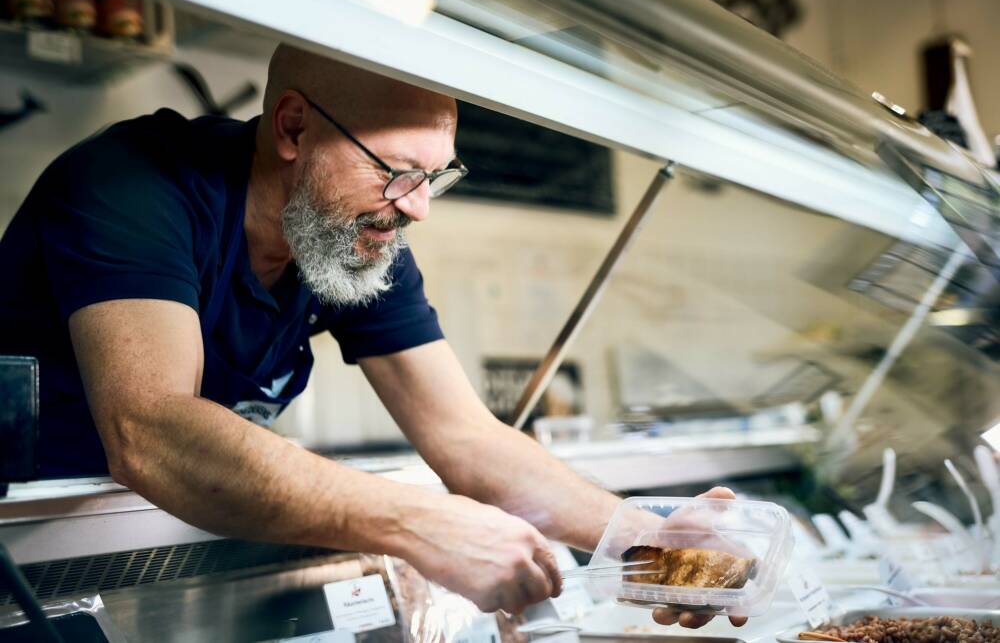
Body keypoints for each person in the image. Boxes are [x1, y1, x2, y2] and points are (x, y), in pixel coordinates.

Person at [0, 44, 743, 626]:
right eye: (397, 171)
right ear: (293, 127)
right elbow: (153, 431)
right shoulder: (133, 184)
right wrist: (418, 522)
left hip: (169, 539)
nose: (418, 208)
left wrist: (653, 540)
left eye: (435, 176)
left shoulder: (349, 232)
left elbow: (468, 438)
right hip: (24, 551)